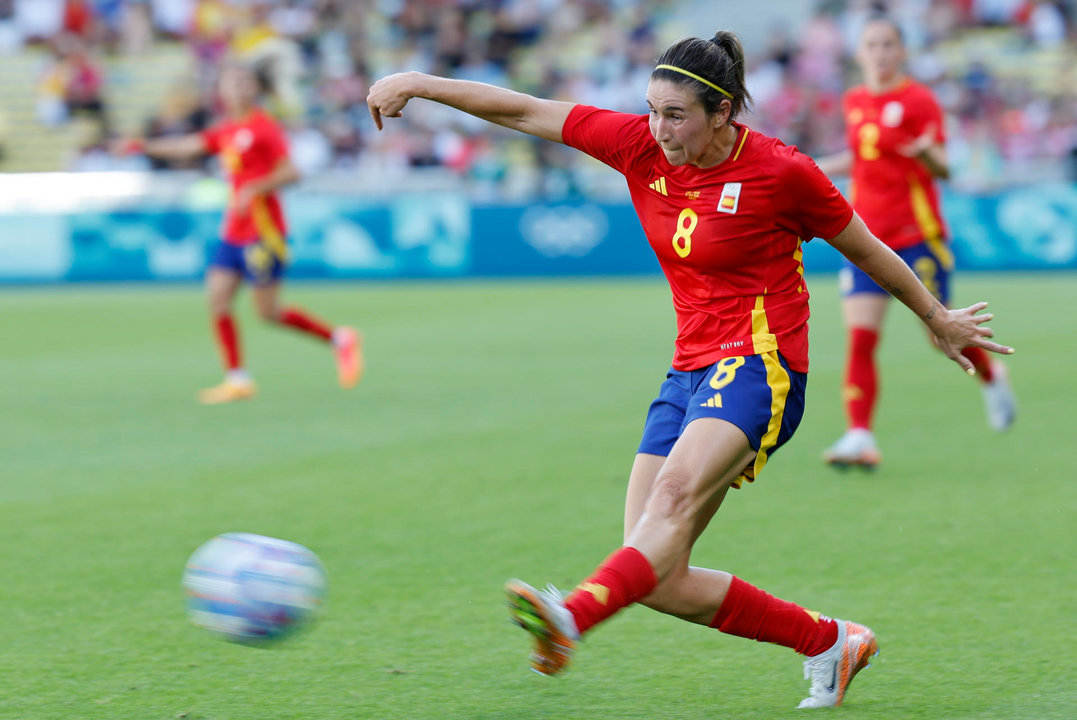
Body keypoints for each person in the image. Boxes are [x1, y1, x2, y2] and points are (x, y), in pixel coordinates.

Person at [367, 31, 1013, 709]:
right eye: (650, 109)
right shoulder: (637, 146)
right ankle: (830, 640)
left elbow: (866, 247)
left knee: (668, 503)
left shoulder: (780, 172)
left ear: (722, 113)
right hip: (686, 373)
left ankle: (570, 618)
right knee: (653, 570)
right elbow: (525, 111)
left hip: (762, 363)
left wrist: (934, 316)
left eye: (674, 115)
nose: (658, 128)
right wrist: (419, 79)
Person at [815, 17, 1016, 469]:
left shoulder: (919, 100)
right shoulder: (854, 100)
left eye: (889, 44)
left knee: (938, 333)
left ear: (902, 51)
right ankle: (860, 436)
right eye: (872, 45)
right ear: (859, 53)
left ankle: (990, 375)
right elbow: (864, 154)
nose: (880, 53)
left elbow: (944, 168)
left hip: (916, 237)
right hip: (866, 240)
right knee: (861, 338)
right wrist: (815, 166)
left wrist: (925, 151)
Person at [122, 64, 361, 403]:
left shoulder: (264, 127)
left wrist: (255, 188)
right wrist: (142, 146)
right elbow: (189, 146)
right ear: (220, 90)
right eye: (230, 83)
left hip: (263, 232)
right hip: (233, 230)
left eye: (243, 82)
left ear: (254, 89)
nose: (236, 89)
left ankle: (339, 338)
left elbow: (293, 172)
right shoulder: (227, 130)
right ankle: (237, 379)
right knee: (218, 299)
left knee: (267, 312)